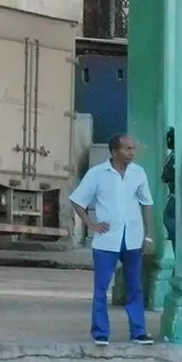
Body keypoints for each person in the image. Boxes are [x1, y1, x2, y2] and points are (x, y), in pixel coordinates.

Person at [69, 133, 155, 345]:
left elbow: (147, 204)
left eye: (133, 148)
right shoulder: (97, 174)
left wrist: (148, 236)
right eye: (127, 149)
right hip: (107, 240)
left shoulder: (138, 173)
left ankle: (138, 332)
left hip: (133, 238)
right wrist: (91, 224)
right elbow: (78, 200)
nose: (132, 153)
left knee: (134, 287)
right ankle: (100, 333)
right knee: (101, 288)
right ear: (114, 152)